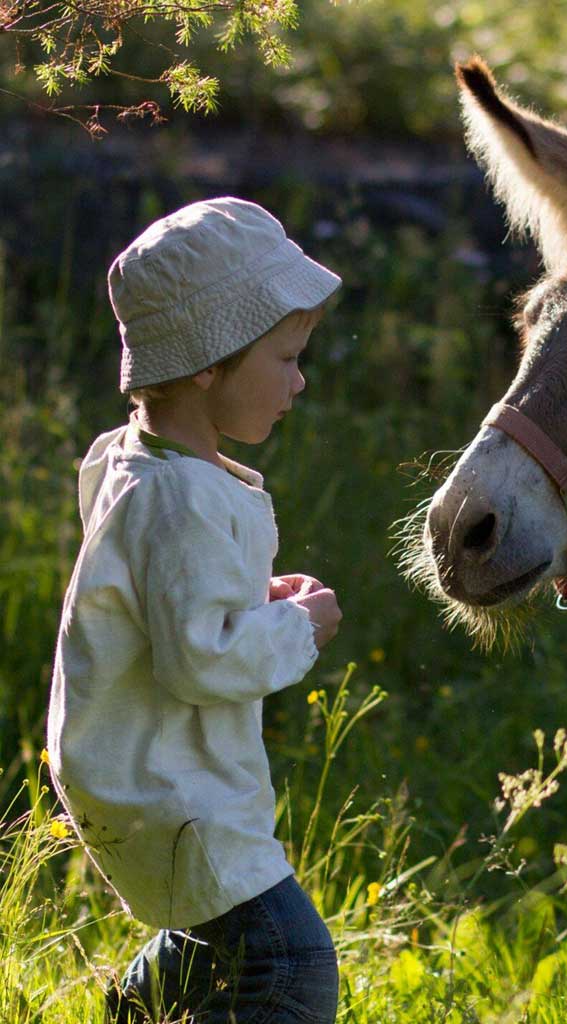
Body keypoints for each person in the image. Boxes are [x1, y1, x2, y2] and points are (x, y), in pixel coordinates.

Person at [46, 197, 344, 1023]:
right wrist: (295, 628)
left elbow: (165, 600)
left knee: (216, 934)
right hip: (179, 790)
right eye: (285, 358)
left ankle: (138, 1010)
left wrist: (253, 598)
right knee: (287, 962)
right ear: (209, 362)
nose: (300, 379)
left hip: (135, 774)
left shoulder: (133, 460)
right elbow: (200, 658)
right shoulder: (187, 497)